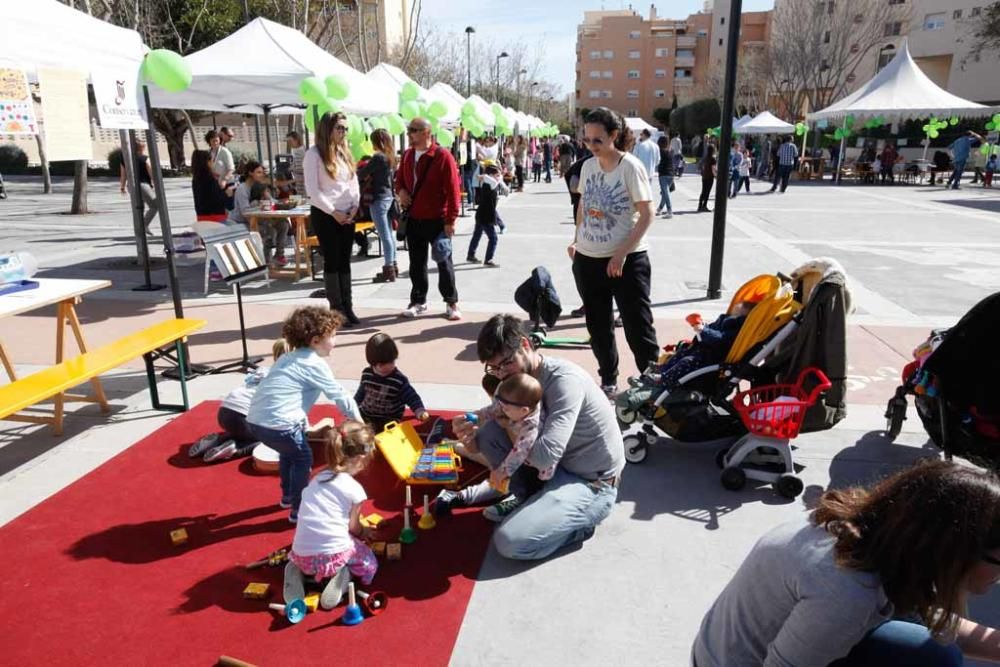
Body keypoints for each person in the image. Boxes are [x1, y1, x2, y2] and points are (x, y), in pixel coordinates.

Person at [693, 460, 1000, 667]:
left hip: (734, 648)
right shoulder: (848, 594)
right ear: (953, 550)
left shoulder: (871, 534)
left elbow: (921, 612)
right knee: (934, 659)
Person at [446, 314, 624, 559]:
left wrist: (507, 424)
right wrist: (470, 428)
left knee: (510, 542)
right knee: (488, 431)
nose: (500, 374)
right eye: (493, 367)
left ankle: (579, 527)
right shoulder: (513, 380)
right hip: (555, 469)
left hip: (591, 482)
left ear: (525, 345)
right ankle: (527, 498)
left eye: (506, 363)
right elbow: (491, 424)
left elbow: (543, 457)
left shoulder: (563, 382)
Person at [570, 107, 660, 396]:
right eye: (587, 140)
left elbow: (647, 214)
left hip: (627, 261)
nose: (591, 146)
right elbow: (583, 205)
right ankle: (608, 378)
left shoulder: (630, 167)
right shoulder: (587, 167)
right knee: (598, 326)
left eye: (598, 140)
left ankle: (653, 382)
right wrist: (576, 239)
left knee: (637, 325)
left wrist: (621, 254)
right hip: (588, 260)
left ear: (614, 135)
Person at [247, 306, 362, 522]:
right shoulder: (314, 363)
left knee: (288, 453)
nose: (335, 340)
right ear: (316, 340)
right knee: (302, 458)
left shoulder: (287, 358)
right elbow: (340, 395)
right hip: (279, 424)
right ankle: (298, 510)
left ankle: (288, 496)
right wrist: (359, 422)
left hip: (256, 421)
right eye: (333, 336)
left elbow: (282, 393)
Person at [283, 420, 379, 610]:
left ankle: (296, 570)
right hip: (334, 556)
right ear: (361, 459)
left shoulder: (315, 480)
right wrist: (364, 531)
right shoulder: (355, 489)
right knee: (369, 563)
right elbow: (354, 527)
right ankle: (343, 575)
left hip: (302, 555)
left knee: (310, 554)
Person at [394, 117, 463, 321]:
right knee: (416, 264)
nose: (409, 135)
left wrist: (451, 220)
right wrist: (401, 191)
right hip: (414, 218)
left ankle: (451, 302)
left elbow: (453, 190)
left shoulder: (442, 156)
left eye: (413, 130)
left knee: (444, 261)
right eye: (408, 130)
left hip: (438, 220)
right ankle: (418, 301)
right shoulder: (407, 155)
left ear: (427, 132)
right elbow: (398, 180)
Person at [189, 340, 287, 463]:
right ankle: (236, 450)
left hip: (224, 411)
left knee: (244, 430)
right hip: (242, 416)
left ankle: (218, 440)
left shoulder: (262, 370)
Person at [304, 112, 361, 325]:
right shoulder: (314, 154)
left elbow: (353, 183)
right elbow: (313, 190)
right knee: (332, 260)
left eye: (345, 129)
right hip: (326, 214)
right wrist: (333, 211)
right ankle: (337, 309)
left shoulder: (344, 152)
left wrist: (355, 205)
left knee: (345, 260)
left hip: (347, 213)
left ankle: (348, 306)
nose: (343, 132)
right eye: (339, 128)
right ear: (327, 129)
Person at [471, 372, 554, 502]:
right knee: (488, 431)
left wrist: (501, 472)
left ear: (524, 411)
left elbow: (519, 453)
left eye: (506, 409)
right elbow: (494, 409)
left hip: (535, 467)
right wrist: (477, 415)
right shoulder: (517, 405)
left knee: (529, 483)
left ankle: (522, 497)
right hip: (520, 451)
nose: (502, 410)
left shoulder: (531, 427)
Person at [354, 332, 429, 432]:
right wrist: (353, 405)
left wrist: (419, 411)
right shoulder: (367, 374)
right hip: (367, 414)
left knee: (386, 435)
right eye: (382, 365)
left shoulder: (398, 380)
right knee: (355, 430)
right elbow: (361, 392)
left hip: (389, 418)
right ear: (373, 363)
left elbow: (412, 397)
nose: (389, 366)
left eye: (392, 362)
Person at [358, 128, 397, 284]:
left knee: (384, 235)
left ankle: (388, 269)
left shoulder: (378, 158)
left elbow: (362, 174)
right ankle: (393, 265)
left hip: (378, 199)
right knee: (389, 234)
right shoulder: (390, 157)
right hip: (388, 197)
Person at [467, 164, 508, 266]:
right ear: (491, 175)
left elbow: (498, 179)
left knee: (477, 235)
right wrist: (483, 176)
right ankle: (488, 260)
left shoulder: (488, 183)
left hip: (481, 213)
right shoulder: (491, 183)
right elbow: (493, 179)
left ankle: (470, 255)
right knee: (493, 238)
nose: (499, 176)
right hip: (486, 215)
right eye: (497, 174)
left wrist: (503, 185)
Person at [118, 140, 159, 235]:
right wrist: (156, 185)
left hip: (131, 185)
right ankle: (144, 225)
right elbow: (151, 173)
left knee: (139, 207)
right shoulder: (144, 158)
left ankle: (140, 229)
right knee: (154, 206)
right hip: (143, 184)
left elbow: (123, 174)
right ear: (141, 148)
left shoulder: (125, 159)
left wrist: (122, 186)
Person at [227, 160, 266, 227]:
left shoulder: (258, 187)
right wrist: (260, 207)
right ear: (250, 173)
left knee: (282, 224)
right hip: (239, 223)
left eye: (262, 173)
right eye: (259, 172)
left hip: (253, 220)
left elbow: (272, 201)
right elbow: (245, 212)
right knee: (271, 231)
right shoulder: (242, 189)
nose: (262, 175)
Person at [632, 128, 659, 197]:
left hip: (640, 172)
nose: (640, 136)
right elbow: (657, 161)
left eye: (641, 134)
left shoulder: (639, 145)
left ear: (644, 135)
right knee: (648, 191)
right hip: (650, 172)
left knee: (640, 192)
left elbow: (633, 159)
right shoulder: (656, 146)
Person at [655, 135, 674, 218]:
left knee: (666, 193)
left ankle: (669, 211)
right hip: (671, 175)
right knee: (665, 193)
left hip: (663, 174)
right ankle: (659, 209)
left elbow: (657, 162)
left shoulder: (660, 152)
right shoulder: (669, 151)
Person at [286, 130, 307, 196]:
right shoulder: (295, 150)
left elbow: (302, 167)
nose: (289, 143)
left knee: (303, 197)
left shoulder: (301, 151)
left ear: (296, 140)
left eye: (290, 141)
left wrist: (292, 169)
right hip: (298, 179)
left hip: (302, 179)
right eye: (288, 142)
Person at [698, 144, 717, 213]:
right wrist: (716, 176)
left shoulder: (705, 157)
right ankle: (704, 205)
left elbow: (701, 166)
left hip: (704, 176)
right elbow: (713, 169)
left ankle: (700, 206)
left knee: (703, 191)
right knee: (707, 192)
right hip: (710, 177)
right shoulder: (713, 159)